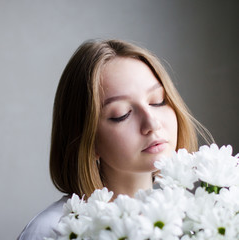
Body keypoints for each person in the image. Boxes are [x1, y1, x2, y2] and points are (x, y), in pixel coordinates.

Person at [17, 39, 211, 240]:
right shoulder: (56, 231)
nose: (152, 123)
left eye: (158, 101)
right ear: (88, 140)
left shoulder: (192, 219)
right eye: (122, 114)